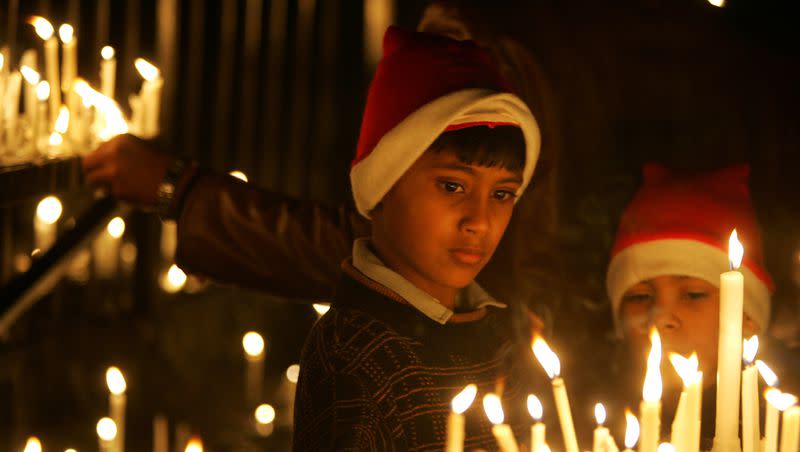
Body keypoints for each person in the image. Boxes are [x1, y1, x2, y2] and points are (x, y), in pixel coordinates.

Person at [291, 26, 541, 450]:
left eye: (501, 194)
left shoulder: (495, 335)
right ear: (384, 182)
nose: (479, 221)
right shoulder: (352, 353)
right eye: (452, 186)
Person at [604, 164, 798, 441]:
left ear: (747, 319)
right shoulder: (592, 423)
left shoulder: (781, 429)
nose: (660, 317)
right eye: (640, 296)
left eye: (693, 294)